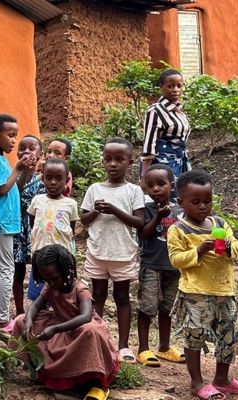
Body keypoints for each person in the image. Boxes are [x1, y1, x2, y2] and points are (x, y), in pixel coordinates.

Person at [168, 170, 238, 399]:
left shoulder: (220, 224)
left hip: (225, 291)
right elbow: (176, 259)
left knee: (229, 334)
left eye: (207, 201)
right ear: (181, 202)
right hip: (195, 293)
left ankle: (222, 379)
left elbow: (237, 250)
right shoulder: (178, 229)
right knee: (194, 335)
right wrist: (199, 250)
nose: (203, 206)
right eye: (195, 202)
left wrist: (226, 247)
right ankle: (197, 382)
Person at [8, 245, 118, 400]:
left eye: (54, 279)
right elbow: (35, 306)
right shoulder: (50, 288)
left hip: (78, 329)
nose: (51, 283)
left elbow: (85, 317)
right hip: (58, 326)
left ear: (68, 270)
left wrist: (55, 329)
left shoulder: (80, 289)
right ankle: (39, 369)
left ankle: (97, 384)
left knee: (90, 331)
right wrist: (28, 322)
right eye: (46, 280)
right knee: (21, 319)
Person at [80, 138, 144, 364]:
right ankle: (97, 339)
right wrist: (96, 212)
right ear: (103, 162)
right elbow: (84, 219)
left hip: (123, 253)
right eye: (108, 159)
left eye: (119, 159)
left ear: (130, 162)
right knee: (97, 296)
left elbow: (139, 222)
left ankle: (124, 346)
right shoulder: (94, 189)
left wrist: (115, 210)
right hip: (98, 251)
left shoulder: (134, 190)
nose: (113, 164)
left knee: (121, 297)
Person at [0, 114, 35, 331]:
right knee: (6, 270)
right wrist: (18, 168)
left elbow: (13, 186)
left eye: (16, 136)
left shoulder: (1, 159)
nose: (14, 141)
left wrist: (24, 169)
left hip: (6, 222)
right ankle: (4, 319)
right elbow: (2, 189)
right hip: (2, 221)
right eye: (11, 135)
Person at [135, 164, 184, 367]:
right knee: (147, 307)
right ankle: (143, 349)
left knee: (168, 308)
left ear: (171, 186)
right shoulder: (146, 209)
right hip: (152, 265)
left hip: (174, 267)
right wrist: (158, 217)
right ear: (145, 189)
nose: (155, 189)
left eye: (161, 184)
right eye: (150, 185)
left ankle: (164, 347)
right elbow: (143, 234)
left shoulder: (181, 210)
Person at [26, 158, 79, 302]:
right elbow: (33, 224)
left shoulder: (70, 204)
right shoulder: (37, 200)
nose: (53, 182)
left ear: (67, 179)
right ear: (42, 178)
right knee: (39, 297)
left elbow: (71, 230)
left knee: (63, 295)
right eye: (48, 178)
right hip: (40, 258)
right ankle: (40, 321)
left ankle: (62, 319)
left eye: (58, 178)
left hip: (61, 260)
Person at [140, 69, 191, 201]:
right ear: (161, 87)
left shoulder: (179, 111)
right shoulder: (155, 111)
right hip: (162, 164)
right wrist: (144, 176)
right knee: (166, 198)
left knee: (181, 198)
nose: (175, 89)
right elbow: (149, 145)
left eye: (179, 86)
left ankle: (176, 222)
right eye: (170, 86)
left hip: (179, 162)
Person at [12, 135, 45, 316]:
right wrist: (23, 169)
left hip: (37, 229)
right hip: (18, 229)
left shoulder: (46, 180)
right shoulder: (14, 175)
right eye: (22, 148)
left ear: (41, 153)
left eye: (31, 148)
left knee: (40, 270)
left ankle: (40, 310)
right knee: (18, 271)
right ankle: (19, 311)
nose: (26, 151)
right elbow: (15, 193)